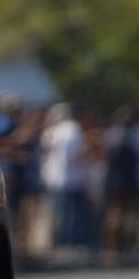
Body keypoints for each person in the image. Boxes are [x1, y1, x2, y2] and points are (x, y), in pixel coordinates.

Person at [38, 102, 90, 255]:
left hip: (55, 178)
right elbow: (74, 155)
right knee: (72, 215)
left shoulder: (53, 131)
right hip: (72, 178)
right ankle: (71, 245)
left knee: (59, 213)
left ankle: (60, 244)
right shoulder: (73, 130)